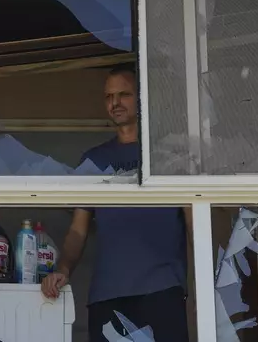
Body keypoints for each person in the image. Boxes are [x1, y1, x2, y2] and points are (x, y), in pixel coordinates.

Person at [41, 66, 192, 342]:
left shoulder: (168, 157)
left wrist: (205, 277)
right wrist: (62, 269)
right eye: (109, 96)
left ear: (142, 99)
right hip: (107, 295)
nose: (115, 103)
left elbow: (194, 219)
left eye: (124, 94)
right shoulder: (94, 161)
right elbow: (78, 231)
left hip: (162, 291)